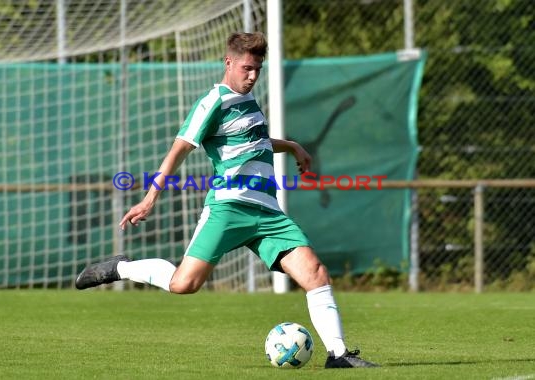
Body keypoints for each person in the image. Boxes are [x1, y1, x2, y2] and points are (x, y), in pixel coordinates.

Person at [75, 32, 377, 369]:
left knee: (315, 273)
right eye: (247, 68)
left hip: (268, 214)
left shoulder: (248, 101)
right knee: (184, 284)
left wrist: (291, 145)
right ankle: (122, 268)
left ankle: (339, 355)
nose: (252, 76)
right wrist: (149, 198)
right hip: (229, 207)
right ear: (228, 62)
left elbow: (254, 139)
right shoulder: (212, 102)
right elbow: (178, 152)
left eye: (257, 70)